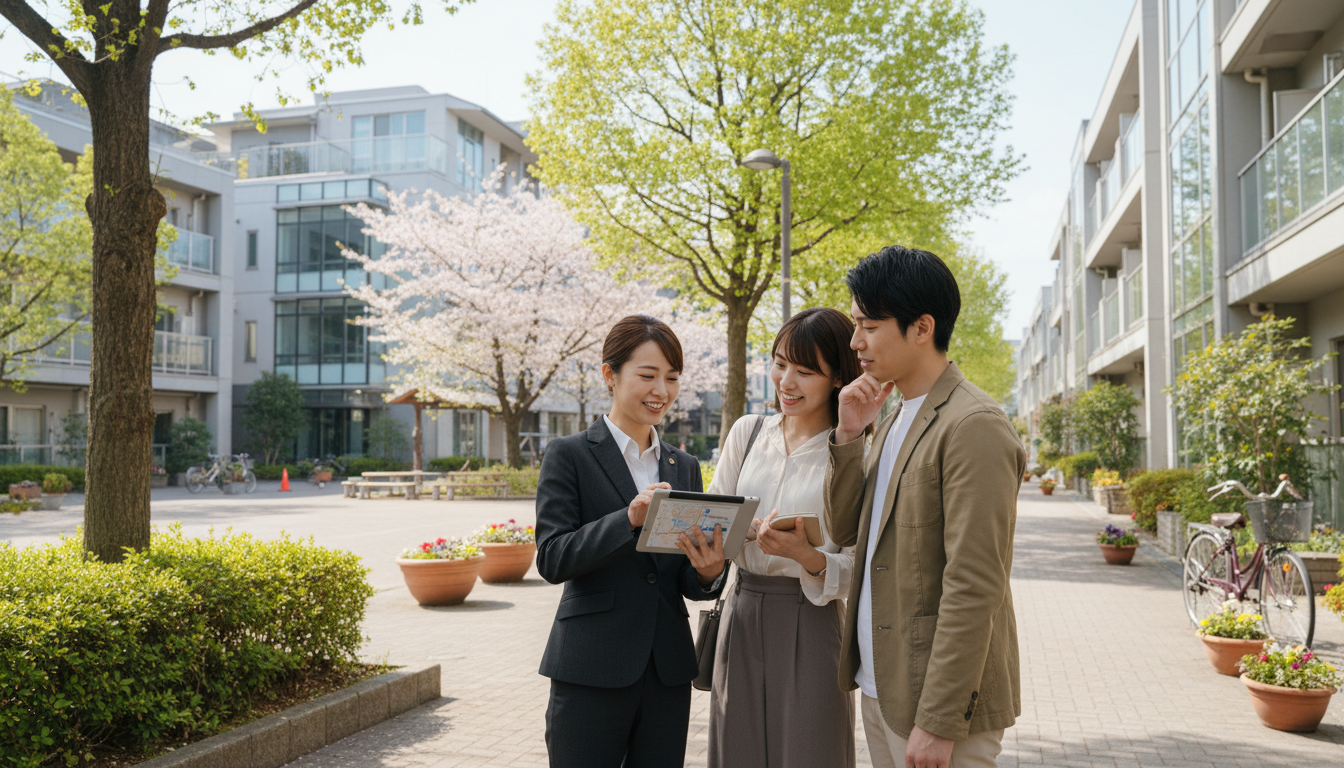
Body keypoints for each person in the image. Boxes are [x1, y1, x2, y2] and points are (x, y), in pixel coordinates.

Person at [824, 246, 1025, 768]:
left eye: (869, 325)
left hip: (936, 708)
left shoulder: (973, 424)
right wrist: (849, 435)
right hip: (881, 684)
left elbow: (975, 582)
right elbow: (849, 532)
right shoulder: (891, 415)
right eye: (854, 324)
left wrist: (938, 718)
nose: (855, 341)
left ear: (921, 327)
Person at [535, 314, 727, 768]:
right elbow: (552, 557)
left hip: (667, 670)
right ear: (610, 374)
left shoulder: (684, 466)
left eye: (672, 378)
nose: (661, 390)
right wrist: (629, 518)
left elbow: (684, 576)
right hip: (590, 666)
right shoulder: (570, 454)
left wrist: (709, 571)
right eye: (647, 375)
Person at [706, 307, 862, 768]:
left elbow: (863, 563)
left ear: (838, 377)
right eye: (779, 364)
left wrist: (808, 557)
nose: (786, 382)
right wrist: (723, 541)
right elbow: (714, 517)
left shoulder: (856, 455)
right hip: (742, 611)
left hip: (813, 621)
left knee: (813, 751)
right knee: (737, 749)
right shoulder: (747, 433)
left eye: (805, 370)